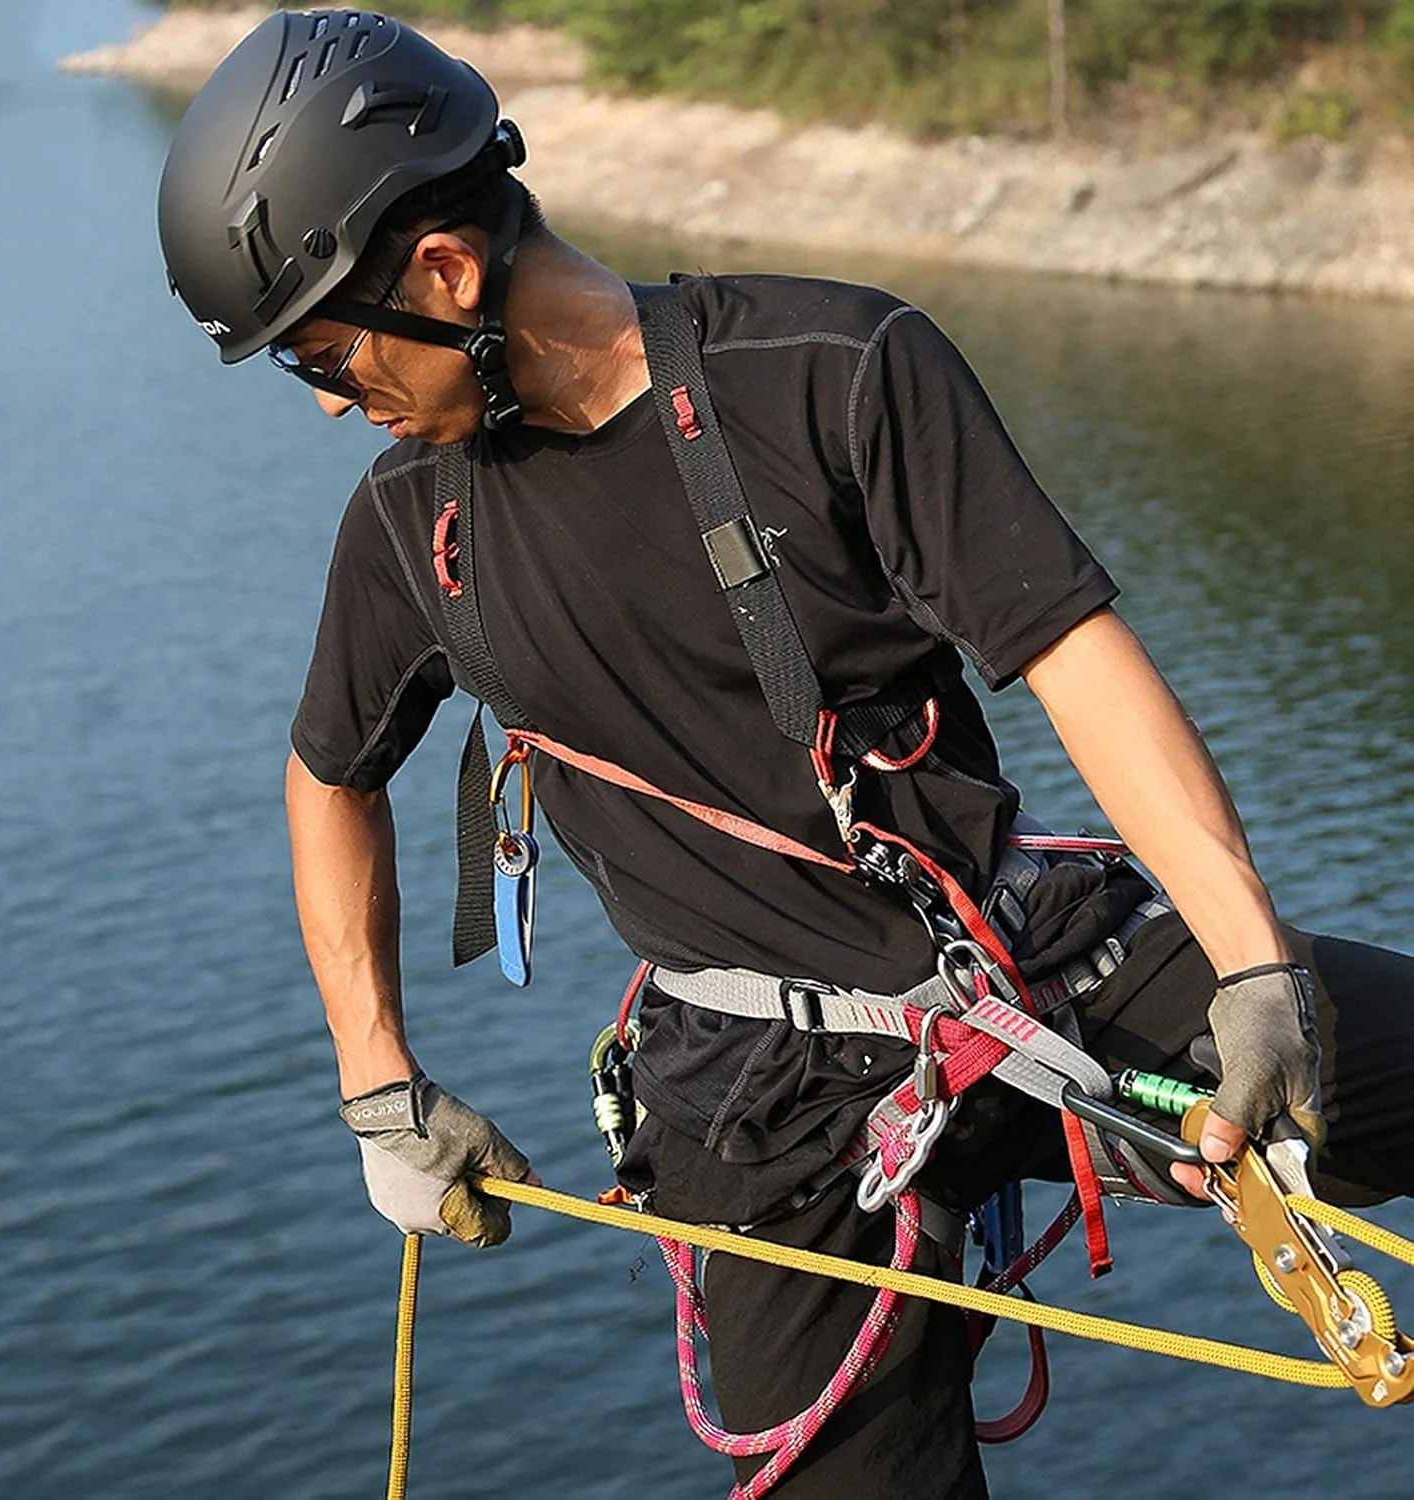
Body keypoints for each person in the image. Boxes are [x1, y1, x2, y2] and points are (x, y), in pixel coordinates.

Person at [157, 12, 1412, 1496]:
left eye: (321, 345)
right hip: (758, 1106)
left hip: (1013, 967)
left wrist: (1250, 964)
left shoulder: (830, 374)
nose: (319, 397)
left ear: (442, 270)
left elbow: (1073, 655)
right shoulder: (413, 530)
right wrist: (379, 1082)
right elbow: (330, 773)